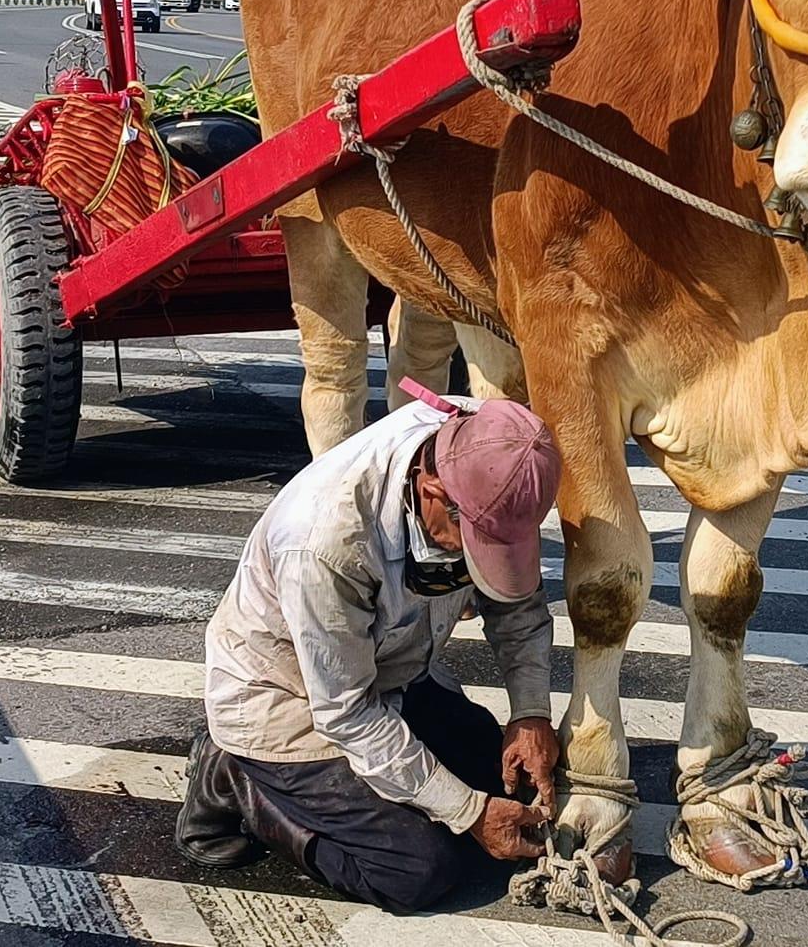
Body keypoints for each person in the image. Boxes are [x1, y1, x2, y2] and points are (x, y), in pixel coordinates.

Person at [178, 383, 563, 912]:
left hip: (393, 670)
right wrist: (470, 813)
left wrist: (531, 714)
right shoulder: (321, 541)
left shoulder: (491, 441)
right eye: (474, 541)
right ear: (434, 492)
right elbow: (348, 713)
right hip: (291, 702)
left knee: (505, 786)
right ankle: (239, 778)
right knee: (418, 868)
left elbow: (515, 605)